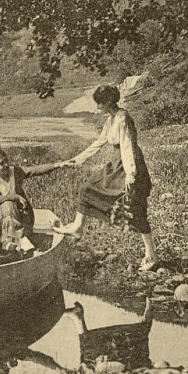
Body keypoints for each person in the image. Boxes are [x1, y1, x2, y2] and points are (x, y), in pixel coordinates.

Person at [53, 84, 159, 271]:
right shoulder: (111, 120)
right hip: (117, 164)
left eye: (100, 103)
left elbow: (127, 146)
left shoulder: (123, 118)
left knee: (136, 209)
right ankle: (77, 227)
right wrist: (78, 159)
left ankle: (151, 255)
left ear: (109, 101)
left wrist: (131, 175)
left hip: (128, 165)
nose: (97, 107)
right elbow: (99, 142)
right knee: (86, 189)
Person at [0, 148, 71, 249]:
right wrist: (15, 197)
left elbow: (36, 170)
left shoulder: (15, 171)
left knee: (9, 205)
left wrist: (57, 165)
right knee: (6, 205)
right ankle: (11, 242)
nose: (6, 165)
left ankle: (18, 240)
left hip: (21, 214)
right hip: (1, 216)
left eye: (6, 161)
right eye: (2, 163)